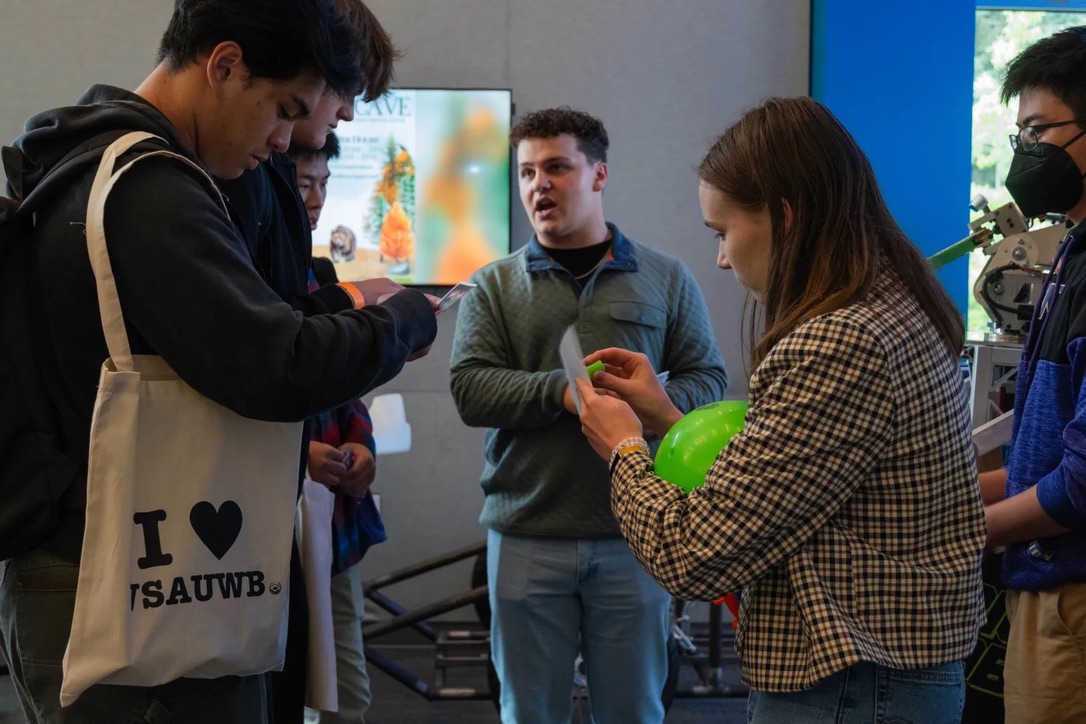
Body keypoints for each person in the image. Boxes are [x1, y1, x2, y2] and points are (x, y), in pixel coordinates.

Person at [0, 1, 436, 722]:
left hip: (97, 555)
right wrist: (400, 321)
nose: (283, 139)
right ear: (225, 65)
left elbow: (241, 330)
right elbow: (270, 362)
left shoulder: (91, 166)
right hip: (122, 566)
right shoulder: (150, 187)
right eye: (282, 109)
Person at [574, 97, 987, 723]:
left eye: (723, 232)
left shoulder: (837, 340)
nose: (720, 258)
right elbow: (799, 474)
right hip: (878, 680)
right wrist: (667, 419)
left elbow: (693, 555)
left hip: (850, 686)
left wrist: (624, 449)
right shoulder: (892, 305)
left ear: (785, 218)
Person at [449, 107, 728, 724]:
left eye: (556, 167)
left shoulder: (666, 277)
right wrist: (562, 392)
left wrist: (651, 398)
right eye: (526, 173)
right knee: (528, 713)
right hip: (524, 533)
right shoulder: (493, 286)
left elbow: (709, 380)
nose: (538, 186)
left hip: (640, 535)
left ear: (599, 174)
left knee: (634, 711)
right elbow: (469, 390)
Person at [978, 26, 1086, 724]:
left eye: (1039, 130)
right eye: (1019, 135)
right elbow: (1042, 453)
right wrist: (939, 492)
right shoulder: (1071, 251)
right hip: (1044, 578)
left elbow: (1080, 483)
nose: (1025, 153)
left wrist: (964, 530)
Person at [288, 133, 384, 724]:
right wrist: (298, 456)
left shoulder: (321, 273)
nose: (317, 199)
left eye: (324, 184)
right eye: (303, 184)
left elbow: (345, 388)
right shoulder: (239, 271)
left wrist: (360, 446)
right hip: (265, 527)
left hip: (334, 528)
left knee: (349, 692)